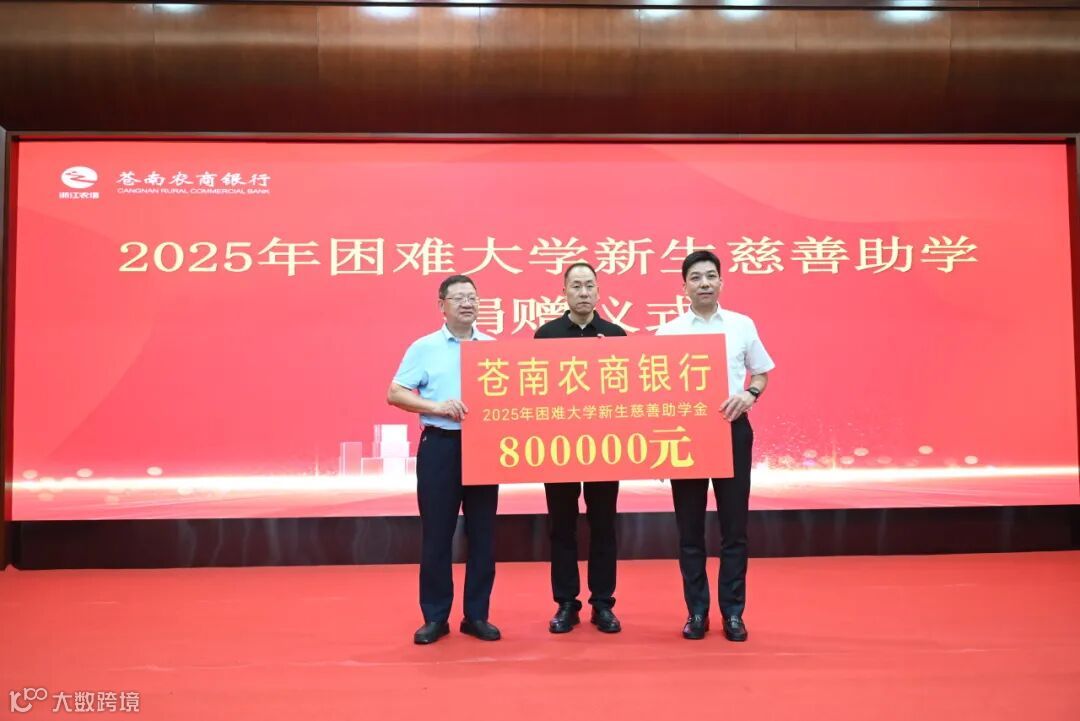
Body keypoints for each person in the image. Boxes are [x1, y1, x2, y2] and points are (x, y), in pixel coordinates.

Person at [654, 250, 775, 642]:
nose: (704, 283)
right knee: (689, 531)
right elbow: (656, 392)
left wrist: (749, 395)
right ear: (684, 287)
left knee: (734, 529)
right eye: (695, 277)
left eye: (710, 276)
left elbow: (762, 373)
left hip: (732, 430)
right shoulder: (668, 333)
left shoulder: (741, 325)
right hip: (685, 437)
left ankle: (733, 613)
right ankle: (697, 612)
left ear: (721, 282)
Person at [387, 274, 501, 645]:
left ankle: (476, 615)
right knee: (437, 533)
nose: (468, 303)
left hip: (484, 448)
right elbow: (395, 393)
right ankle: (435, 617)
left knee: (483, 534)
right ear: (442, 305)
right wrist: (436, 406)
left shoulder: (493, 348)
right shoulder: (424, 348)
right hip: (440, 446)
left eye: (473, 297)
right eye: (459, 298)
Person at [534, 261, 626, 634]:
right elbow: (535, 392)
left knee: (603, 526)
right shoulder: (546, 335)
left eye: (589, 285)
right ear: (564, 292)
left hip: (604, 446)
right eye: (576, 286)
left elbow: (630, 394)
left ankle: (602, 604)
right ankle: (566, 603)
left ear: (598, 291)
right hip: (559, 447)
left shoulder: (616, 335)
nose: (583, 292)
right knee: (562, 526)